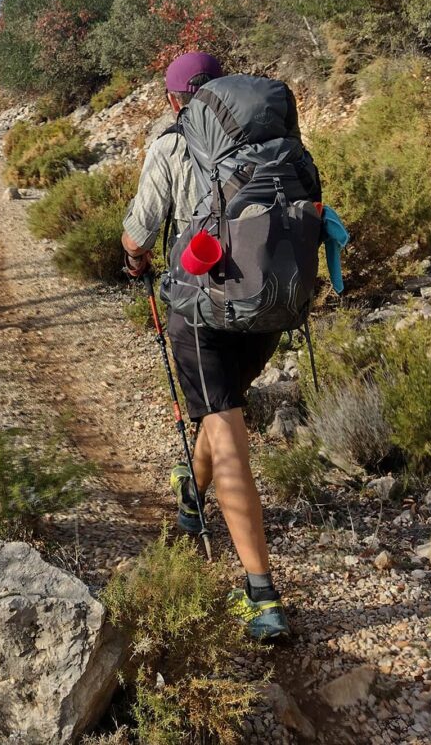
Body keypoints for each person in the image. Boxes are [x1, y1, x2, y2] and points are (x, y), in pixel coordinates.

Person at [120, 51, 290, 642]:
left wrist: (134, 257)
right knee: (220, 415)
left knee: (226, 431)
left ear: (175, 100)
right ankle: (192, 494)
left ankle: (261, 592)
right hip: (267, 304)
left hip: (200, 310)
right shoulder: (266, 137)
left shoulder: (169, 145)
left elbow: (139, 232)